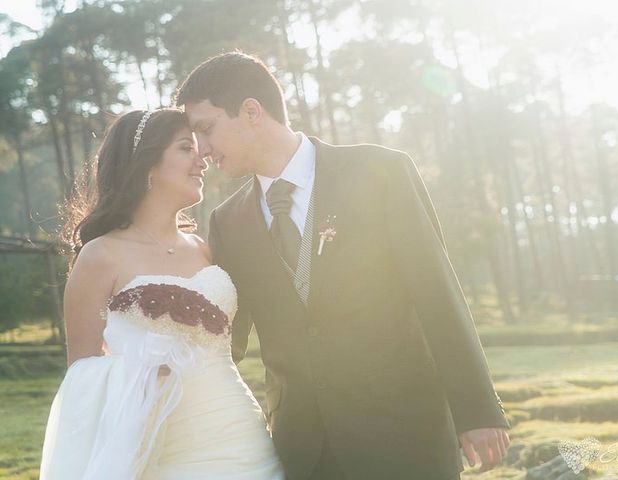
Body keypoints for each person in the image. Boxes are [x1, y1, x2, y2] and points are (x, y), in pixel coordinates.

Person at [176, 51, 512, 480]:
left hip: (406, 432)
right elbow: (227, 343)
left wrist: (477, 409)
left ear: (251, 111)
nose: (201, 150)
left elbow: (437, 292)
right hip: (302, 448)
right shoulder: (227, 221)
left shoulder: (381, 171)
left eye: (206, 129)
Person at [39, 108, 285, 480]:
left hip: (238, 431)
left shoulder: (203, 248)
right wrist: (139, 371)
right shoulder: (100, 255)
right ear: (147, 166)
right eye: (186, 148)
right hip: (167, 447)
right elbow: (81, 377)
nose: (201, 158)